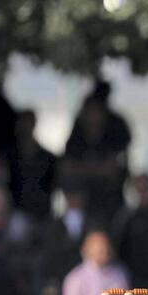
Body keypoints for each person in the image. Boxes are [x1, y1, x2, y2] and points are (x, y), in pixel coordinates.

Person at [60, 93, 131, 224]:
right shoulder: (77, 139)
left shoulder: (113, 136)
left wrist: (83, 168)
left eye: (96, 111)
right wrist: (98, 169)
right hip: (83, 207)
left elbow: (112, 170)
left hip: (110, 205)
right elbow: (66, 166)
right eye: (90, 112)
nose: (93, 117)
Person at [8, 109, 56, 223]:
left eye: (27, 123)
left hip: (42, 216)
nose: (24, 127)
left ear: (34, 124)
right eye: (22, 123)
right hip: (15, 215)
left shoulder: (48, 158)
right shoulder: (9, 156)